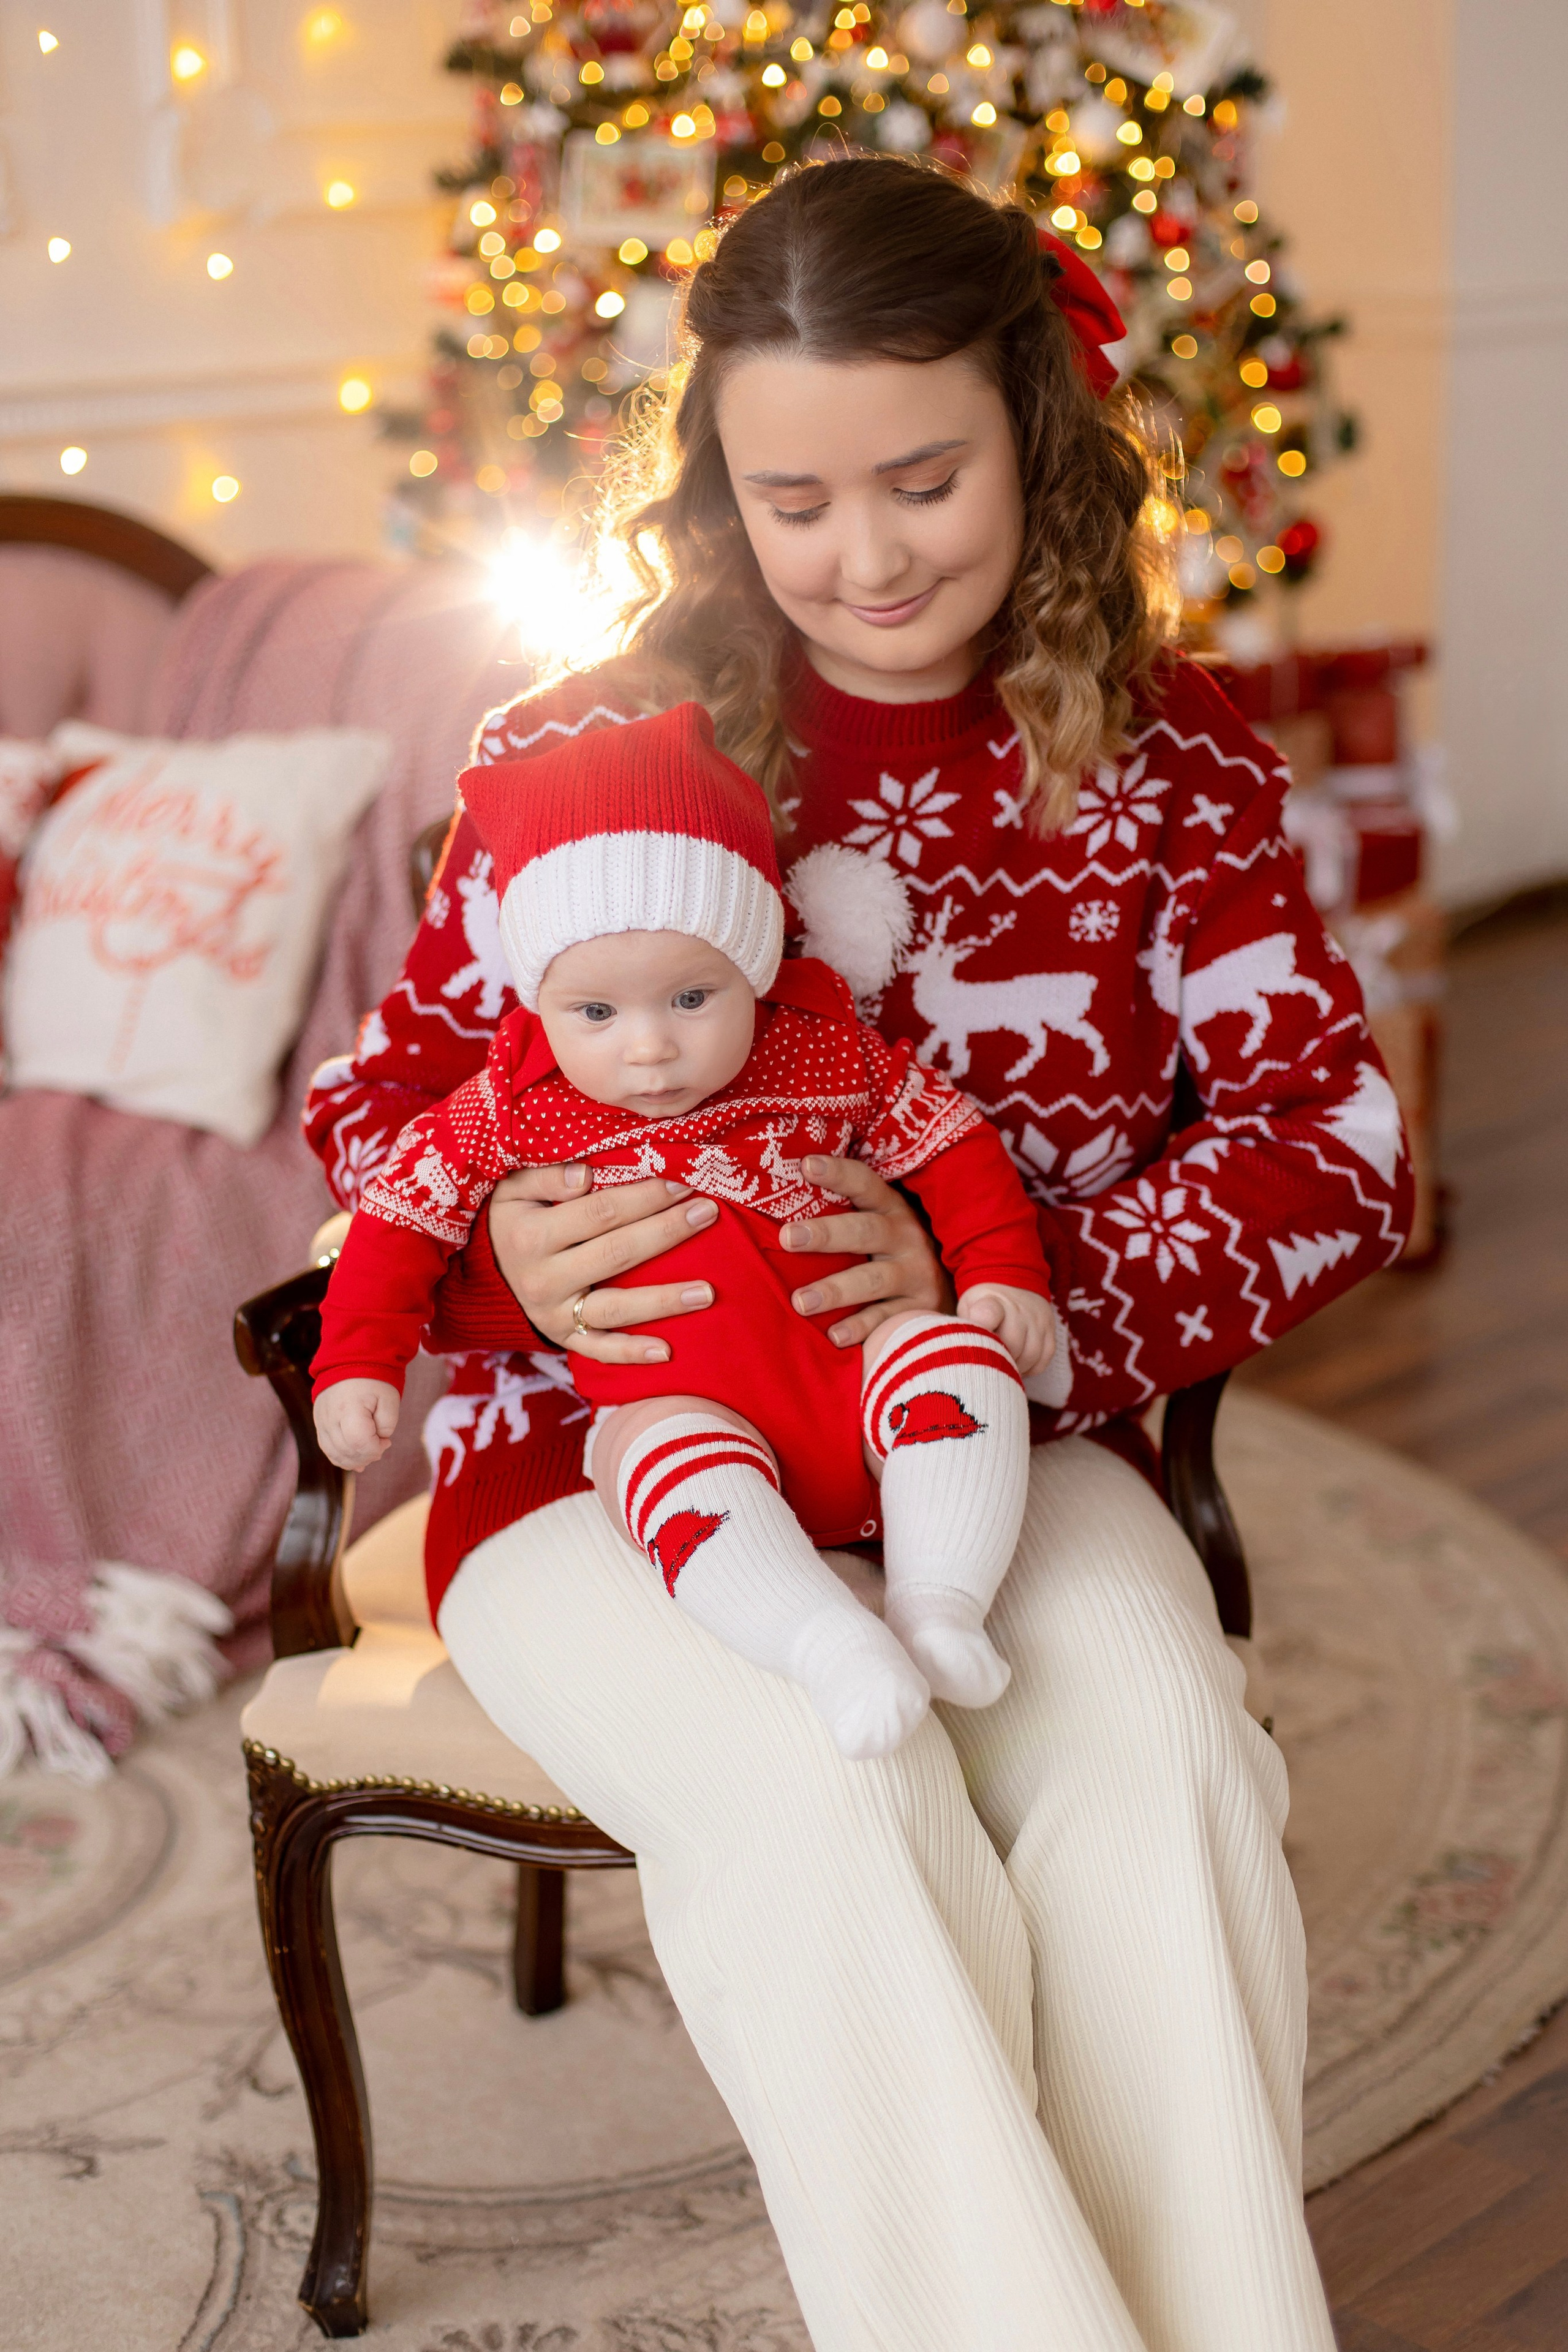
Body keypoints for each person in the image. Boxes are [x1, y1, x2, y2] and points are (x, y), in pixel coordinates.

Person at [304, 157, 1412, 2352]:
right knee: (836, 1788)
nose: (868, 558)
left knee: (1160, 1763)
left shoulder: (1174, 762)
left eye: (924, 479)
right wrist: (510, 1228)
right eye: (791, 498)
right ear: (717, 484)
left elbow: (1336, 1150)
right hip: (611, 1466)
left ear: (1032, 424)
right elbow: (372, 1106)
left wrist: (1003, 1294)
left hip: (980, 1421)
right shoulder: (574, 748)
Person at [311, 701, 1057, 1757]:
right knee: (658, 1468)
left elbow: (953, 1142)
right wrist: (359, 1362)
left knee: (956, 1355)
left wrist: (999, 1273)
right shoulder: (511, 1103)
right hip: (685, 1411)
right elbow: (397, 1216)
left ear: (753, 967)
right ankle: (825, 1646)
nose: (650, 1050)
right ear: (540, 1002)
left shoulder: (819, 1052)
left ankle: (940, 1607)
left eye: (694, 998)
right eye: (597, 1016)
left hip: (858, 1385)